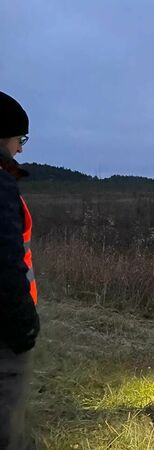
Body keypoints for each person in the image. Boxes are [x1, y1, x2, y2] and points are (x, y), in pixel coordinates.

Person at [0, 91, 40, 450]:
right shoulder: (1, 185)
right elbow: (5, 265)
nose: (21, 149)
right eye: (18, 139)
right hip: (6, 331)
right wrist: (24, 325)